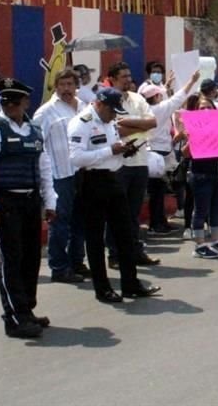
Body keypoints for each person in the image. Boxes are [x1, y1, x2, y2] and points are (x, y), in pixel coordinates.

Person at [0, 79, 57, 339]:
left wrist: (50, 201)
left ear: (26, 103)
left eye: (15, 101)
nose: (10, 106)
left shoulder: (34, 130)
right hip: (5, 203)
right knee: (11, 259)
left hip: (30, 202)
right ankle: (14, 317)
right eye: (6, 101)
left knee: (31, 258)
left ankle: (26, 309)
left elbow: (44, 167)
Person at [67, 87, 161, 304]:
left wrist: (124, 151)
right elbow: (77, 158)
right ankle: (103, 289)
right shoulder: (81, 123)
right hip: (92, 182)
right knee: (95, 238)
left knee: (125, 233)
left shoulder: (109, 121)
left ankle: (131, 283)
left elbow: (112, 148)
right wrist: (110, 151)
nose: (113, 116)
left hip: (114, 177)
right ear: (99, 104)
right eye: (111, 111)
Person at [33, 69, 88, 284]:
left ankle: (77, 262)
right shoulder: (46, 112)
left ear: (76, 86)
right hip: (58, 174)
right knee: (60, 221)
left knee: (80, 220)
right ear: (55, 87)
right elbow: (37, 145)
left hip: (82, 172)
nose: (66, 88)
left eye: (70, 84)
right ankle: (59, 267)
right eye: (62, 84)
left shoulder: (83, 107)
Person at [104, 62, 159, 269]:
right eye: (123, 76)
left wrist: (129, 123)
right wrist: (139, 125)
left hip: (140, 161)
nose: (128, 79)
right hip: (119, 163)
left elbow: (152, 123)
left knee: (134, 212)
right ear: (112, 79)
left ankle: (134, 250)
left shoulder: (137, 98)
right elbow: (115, 130)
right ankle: (115, 254)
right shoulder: (108, 100)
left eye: (129, 75)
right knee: (116, 211)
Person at [137, 70, 199, 235]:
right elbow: (178, 97)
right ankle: (156, 224)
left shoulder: (146, 109)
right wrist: (192, 81)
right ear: (156, 97)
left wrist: (165, 86)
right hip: (160, 153)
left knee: (156, 190)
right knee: (158, 191)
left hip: (150, 151)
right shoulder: (160, 109)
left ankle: (160, 221)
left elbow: (166, 99)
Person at [178, 95, 218, 259]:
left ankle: (216, 241)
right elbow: (184, 153)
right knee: (201, 209)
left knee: (217, 208)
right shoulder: (192, 127)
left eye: (209, 107)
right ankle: (199, 245)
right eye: (202, 108)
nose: (206, 110)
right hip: (201, 174)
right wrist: (194, 137)